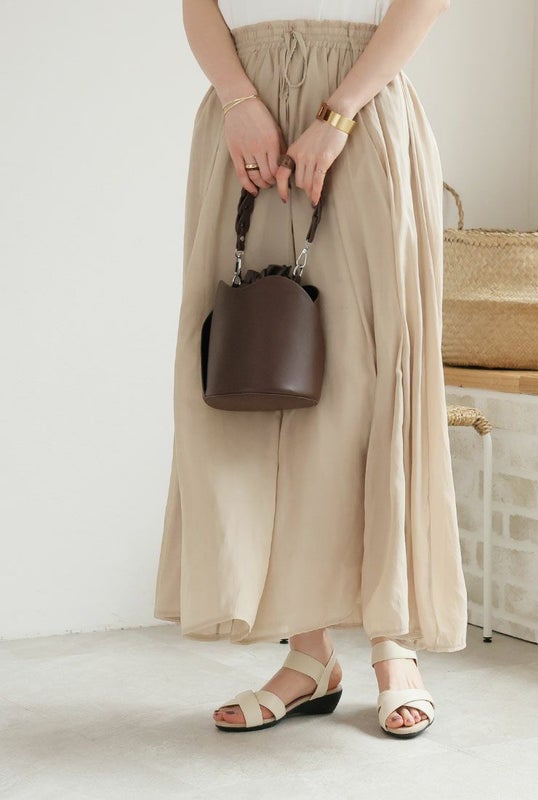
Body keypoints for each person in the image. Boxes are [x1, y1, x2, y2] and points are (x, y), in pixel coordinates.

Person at [154, 0, 467, 738]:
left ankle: (393, 644)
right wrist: (238, 101)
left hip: (361, 106)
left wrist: (339, 113)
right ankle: (309, 654)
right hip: (245, 119)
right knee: (262, 375)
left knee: (373, 378)